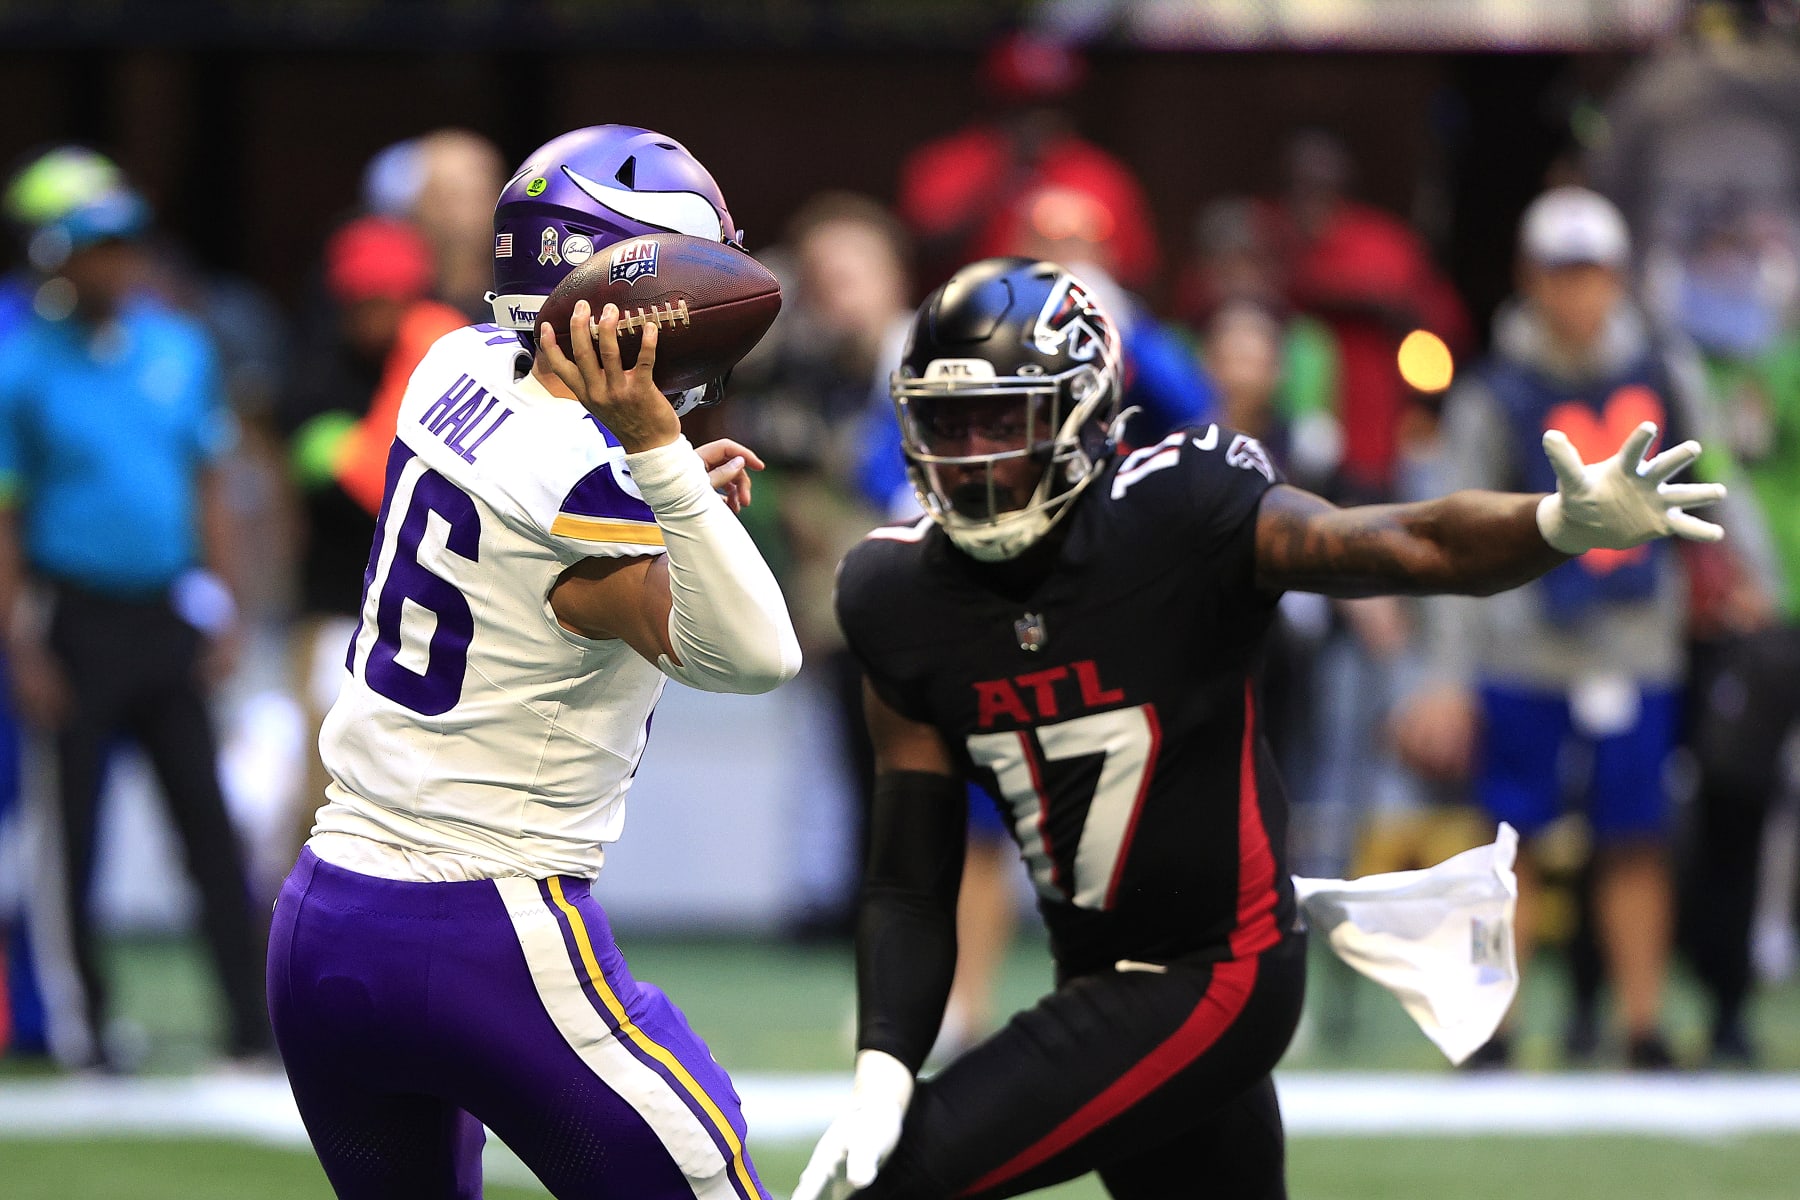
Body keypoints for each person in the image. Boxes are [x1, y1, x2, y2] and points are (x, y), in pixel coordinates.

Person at [794, 256, 1724, 1200]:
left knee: (894, 1187)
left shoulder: (1179, 511)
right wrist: (884, 1064)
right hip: (1101, 972)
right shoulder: (896, 594)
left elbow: (1406, 542)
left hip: (1221, 971)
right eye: (949, 424)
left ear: (1082, 413)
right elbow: (910, 878)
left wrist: (1556, 522)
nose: (973, 455)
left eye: (1004, 420)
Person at [265, 126, 802, 1199]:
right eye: (690, 275)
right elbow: (758, 653)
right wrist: (661, 465)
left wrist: (655, 479)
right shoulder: (585, 480)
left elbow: (525, 507)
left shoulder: (449, 363)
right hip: (480, 928)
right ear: (608, 294)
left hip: (324, 925)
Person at [1393, 186, 1746, 1069]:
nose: (1577, 292)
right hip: (1520, 647)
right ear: (1531, 278)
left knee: (1639, 835)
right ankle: (1496, 1027)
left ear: (1616, 279)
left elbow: (1716, 486)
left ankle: (1642, 1022)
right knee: (1507, 849)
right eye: (1561, 273)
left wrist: (1749, 582)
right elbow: (1449, 532)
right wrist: (1441, 674)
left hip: (1636, 640)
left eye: (1591, 273)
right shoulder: (1493, 389)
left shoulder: (1665, 372)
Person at [0, 155, 268, 1070]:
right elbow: (8, 513)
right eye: (95, 249)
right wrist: (20, 646)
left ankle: (250, 1022)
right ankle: (84, 1026)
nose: (115, 265)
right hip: (72, 617)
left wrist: (224, 608)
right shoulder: (23, 365)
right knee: (71, 831)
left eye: (125, 246)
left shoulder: (179, 348)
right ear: (59, 263)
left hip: (165, 610)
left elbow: (208, 487)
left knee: (206, 821)